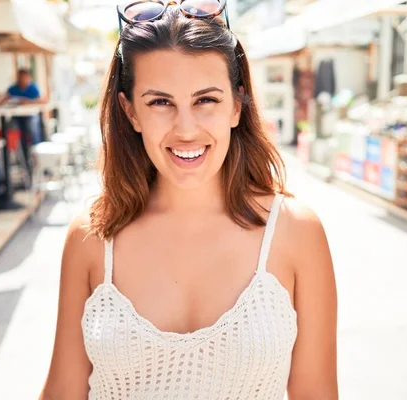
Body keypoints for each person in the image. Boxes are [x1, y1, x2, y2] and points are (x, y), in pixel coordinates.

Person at [41, 3, 337, 400]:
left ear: (236, 105)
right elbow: (62, 391)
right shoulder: (92, 238)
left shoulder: (295, 233)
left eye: (206, 100)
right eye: (160, 102)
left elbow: (317, 393)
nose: (185, 129)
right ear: (130, 112)